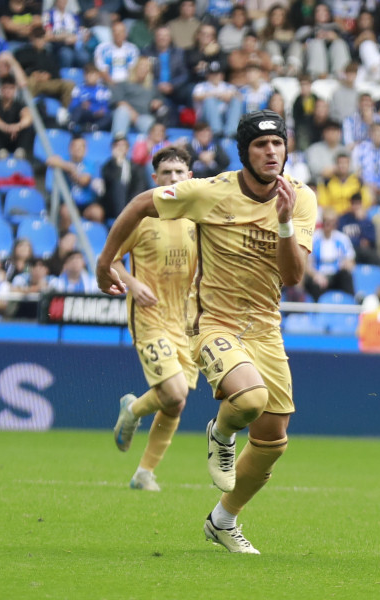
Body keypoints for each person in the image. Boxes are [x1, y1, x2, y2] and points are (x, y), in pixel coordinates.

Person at [96, 110, 317, 554]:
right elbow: (141, 203)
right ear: (244, 153)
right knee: (249, 400)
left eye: (277, 144)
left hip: (266, 328)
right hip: (215, 322)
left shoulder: (301, 197)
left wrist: (286, 221)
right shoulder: (209, 191)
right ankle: (220, 432)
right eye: (260, 145)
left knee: (273, 440)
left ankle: (223, 519)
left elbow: (293, 276)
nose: (271, 152)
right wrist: (105, 263)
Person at [110, 146, 198, 492]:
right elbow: (111, 261)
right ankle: (132, 411)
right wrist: (132, 284)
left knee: (176, 402)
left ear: (190, 178)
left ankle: (144, 473)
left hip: (186, 322)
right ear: (155, 179)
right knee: (174, 393)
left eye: (179, 173)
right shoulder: (142, 217)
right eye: (166, 173)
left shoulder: (198, 218)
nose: (173, 179)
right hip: (149, 317)